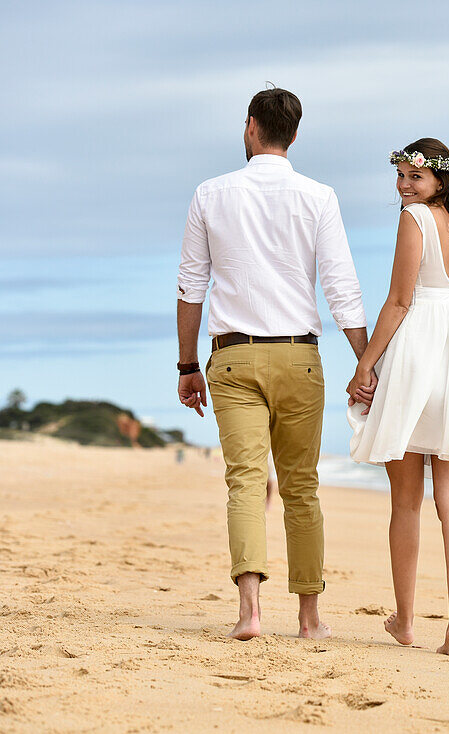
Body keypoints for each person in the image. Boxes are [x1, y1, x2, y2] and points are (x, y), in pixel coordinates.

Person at [176, 87, 371, 641]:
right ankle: (309, 619)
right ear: (293, 133)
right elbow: (342, 288)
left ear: (250, 127)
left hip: (232, 358)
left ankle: (250, 614)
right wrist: (364, 362)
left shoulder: (210, 194)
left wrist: (187, 365)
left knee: (244, 483)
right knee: (301, 488)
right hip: (299, 359)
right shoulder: (319, 197)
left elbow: (192, 286)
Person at [347, 138, 449, 657]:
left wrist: (365, 363)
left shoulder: (415, 221)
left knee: (406, 500)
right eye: (400, 176)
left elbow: (400, 300)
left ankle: (406, 621)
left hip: (416, 358)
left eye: (414, 177)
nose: (404, 186)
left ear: (440, 179)